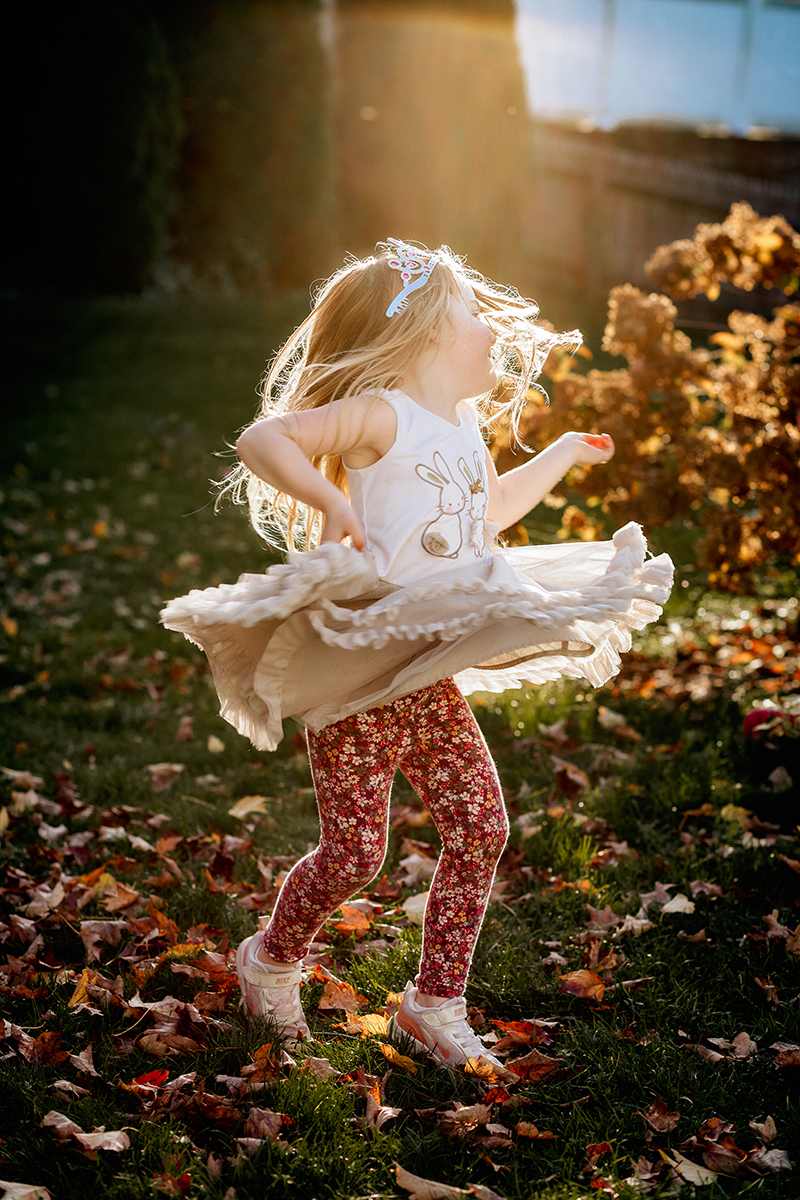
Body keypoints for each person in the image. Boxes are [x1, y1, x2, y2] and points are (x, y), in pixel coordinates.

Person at [161, 239, 673, 1067]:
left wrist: (562, 454)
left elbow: (492, 508)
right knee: (358, 853)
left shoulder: (461, 424)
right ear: (432, 331)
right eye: (472, 311)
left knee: (482, 826)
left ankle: (434, 1003)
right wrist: (330, 498)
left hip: (427, 670)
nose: (489, 328)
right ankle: (271, 960)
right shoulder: (380, 413)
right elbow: (266, 437)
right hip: (363, 668)